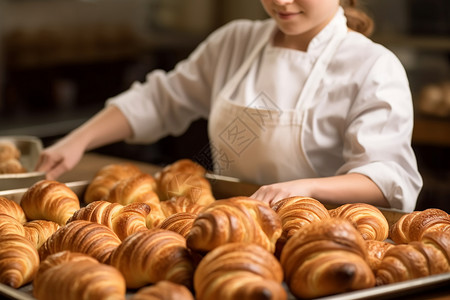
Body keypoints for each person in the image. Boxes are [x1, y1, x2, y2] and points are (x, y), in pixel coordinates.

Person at [36, 0, 422, 212]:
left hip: (323, 240)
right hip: (230, 226)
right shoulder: (236, 42)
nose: (281, 2)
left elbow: (388, 177)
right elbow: (161, 99)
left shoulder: (371, 66)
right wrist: (79, 139)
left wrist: (301, 190)